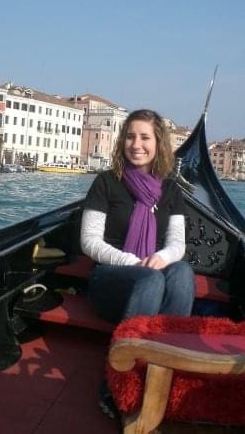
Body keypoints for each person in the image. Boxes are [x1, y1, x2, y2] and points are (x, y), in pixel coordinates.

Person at [80, 109, 195, 324]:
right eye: (130, 137)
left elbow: (177, 244)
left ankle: (169, 346)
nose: (136, 145)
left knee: (182, 271)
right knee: (151, 278)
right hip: (110, 276)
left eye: (145, 138)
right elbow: (89, 241)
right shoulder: (106, 182)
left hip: (153, 272)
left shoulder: (171, 190)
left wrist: (162, 258)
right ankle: (132, 350)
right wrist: (132, 262)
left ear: (158, 144)